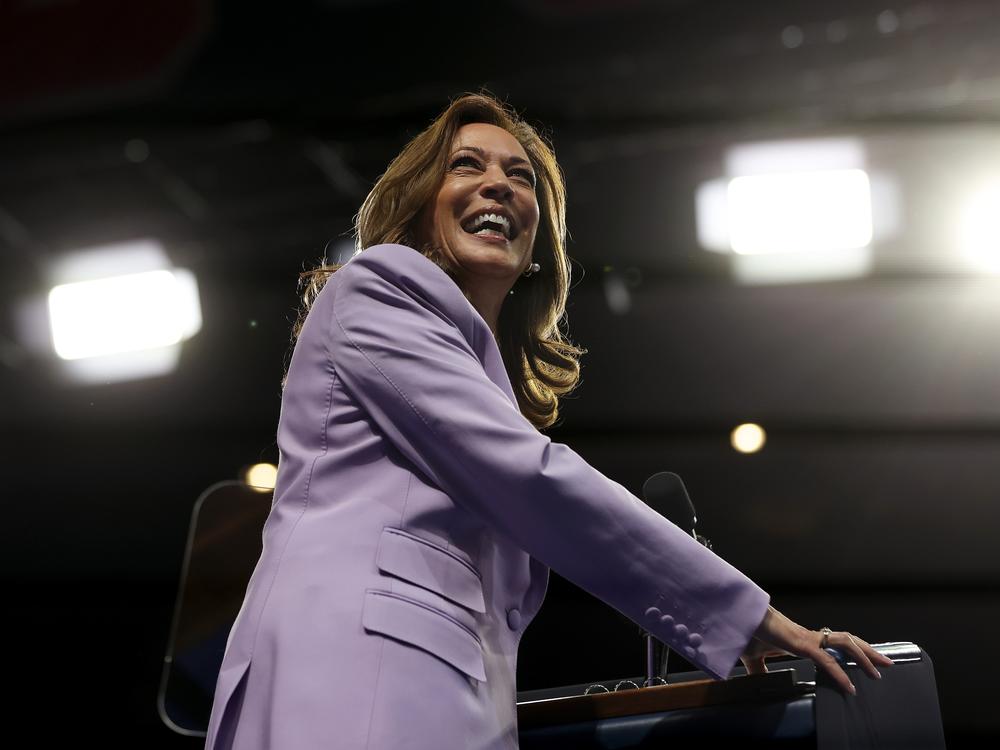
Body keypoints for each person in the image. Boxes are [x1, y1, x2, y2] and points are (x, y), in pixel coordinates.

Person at [204, 92, 892, 750]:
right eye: (465, 165)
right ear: (415, 208)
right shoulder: (378, 286)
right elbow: (531, 479)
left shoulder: (476, 379)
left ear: (537, 246)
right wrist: (745, 618)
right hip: (355, 679)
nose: (498, 185)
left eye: (521, 176)